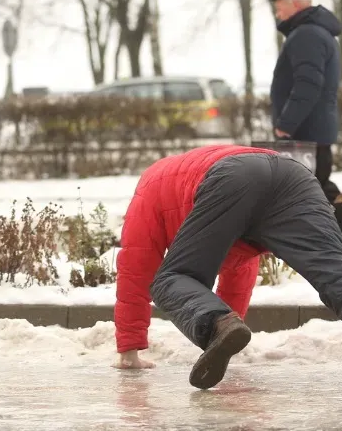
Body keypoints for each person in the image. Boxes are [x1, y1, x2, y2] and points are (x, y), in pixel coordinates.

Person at [124, 145, 342, 392]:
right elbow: (240, 269)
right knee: (336, 272)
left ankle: (218, 325)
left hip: (231, 177)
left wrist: (129, 347)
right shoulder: (182, 176)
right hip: (294, 176)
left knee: (169, 279)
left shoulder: (150, 186)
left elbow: (136, 268)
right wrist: (225, 333)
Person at [113, 145, 272, 370]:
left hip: (218, 178)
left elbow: (136, 272)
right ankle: (224, 331)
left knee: (241, 258)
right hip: (198, 182)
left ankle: (225, 331)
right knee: (240, 257)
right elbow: (136, 269)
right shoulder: (152, 194)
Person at [268, 0, 342, 237]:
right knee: (315, 185)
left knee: (308, 186)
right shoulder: (315, 32)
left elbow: (307, 84)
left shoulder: (306, 35)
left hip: (304, 130)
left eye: (280, 7)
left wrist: (286, 123)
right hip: (313, 129)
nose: (278, 13)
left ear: (294, 4)